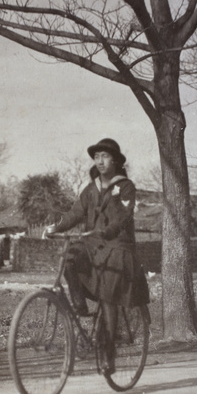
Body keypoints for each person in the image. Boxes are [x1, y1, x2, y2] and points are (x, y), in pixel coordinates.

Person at [44, 138, 149, 374]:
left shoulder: (125, 187)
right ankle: (79, 305)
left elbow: (124, 216)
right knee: (71, 255)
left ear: (116, 160)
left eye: (105, 156)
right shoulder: (91, 189)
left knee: (108, 295)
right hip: (93, 244)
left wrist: (108, 230)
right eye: (97, 157)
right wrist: (56, 227)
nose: (100, 161)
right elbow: (74, 213)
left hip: (118, 246)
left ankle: (108, 355)